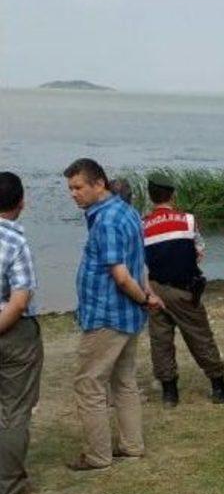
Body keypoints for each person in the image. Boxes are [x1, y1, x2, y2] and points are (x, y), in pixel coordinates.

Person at [64, 158, 162, 471]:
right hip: (126, 314)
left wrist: (144, 297)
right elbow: (139, 263)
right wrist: (145, 295)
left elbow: (121, 275)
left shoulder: (106, 220)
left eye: (78, 187)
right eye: (70, 188)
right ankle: (131, 445)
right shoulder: (128, 211)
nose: (73, 194)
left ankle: (97, 455)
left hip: (107, 314)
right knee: (124, 380)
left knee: (89, 383)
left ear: (99, 184)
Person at [142, 173, 224, 406]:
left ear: (151, 195)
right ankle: (218, 386)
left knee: (161, 340)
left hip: (154, 288)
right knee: (200, 336)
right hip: (184, 289)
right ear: (173, 194)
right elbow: (199, 250)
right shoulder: (188, 220)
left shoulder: (142, 224)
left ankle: (169, 393)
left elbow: (140, 260)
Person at [0, 172, 43, 494]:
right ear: (21, 202)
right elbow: (19, 301)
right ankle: (9, 485)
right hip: (13, 334)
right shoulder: (15, 242)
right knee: (16, 409)